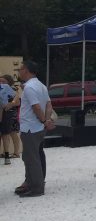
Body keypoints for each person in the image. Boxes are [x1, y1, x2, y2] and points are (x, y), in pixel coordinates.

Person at [15, 61, 55, 197]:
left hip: (30, 128)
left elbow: (36, 107)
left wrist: (44, 120)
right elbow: (49, 105)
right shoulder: (41, 86)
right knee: (32, 156)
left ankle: (37, 188)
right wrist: (47, 121)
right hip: (37, 127)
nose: (19, 72)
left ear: (26, 70)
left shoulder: (29, 87)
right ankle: (33, 184)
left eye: (20, 69)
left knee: (32, 159)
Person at [0, 75, 21, 165]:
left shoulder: (12, 89)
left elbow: (17, 101)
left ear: (9, 82)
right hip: (4, 113)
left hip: (11, 114)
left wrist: (10, 104)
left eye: (3, 81)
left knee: (11, 133)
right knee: (6, 134)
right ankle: (5, 153)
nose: (1, 83)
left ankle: (15, 153)